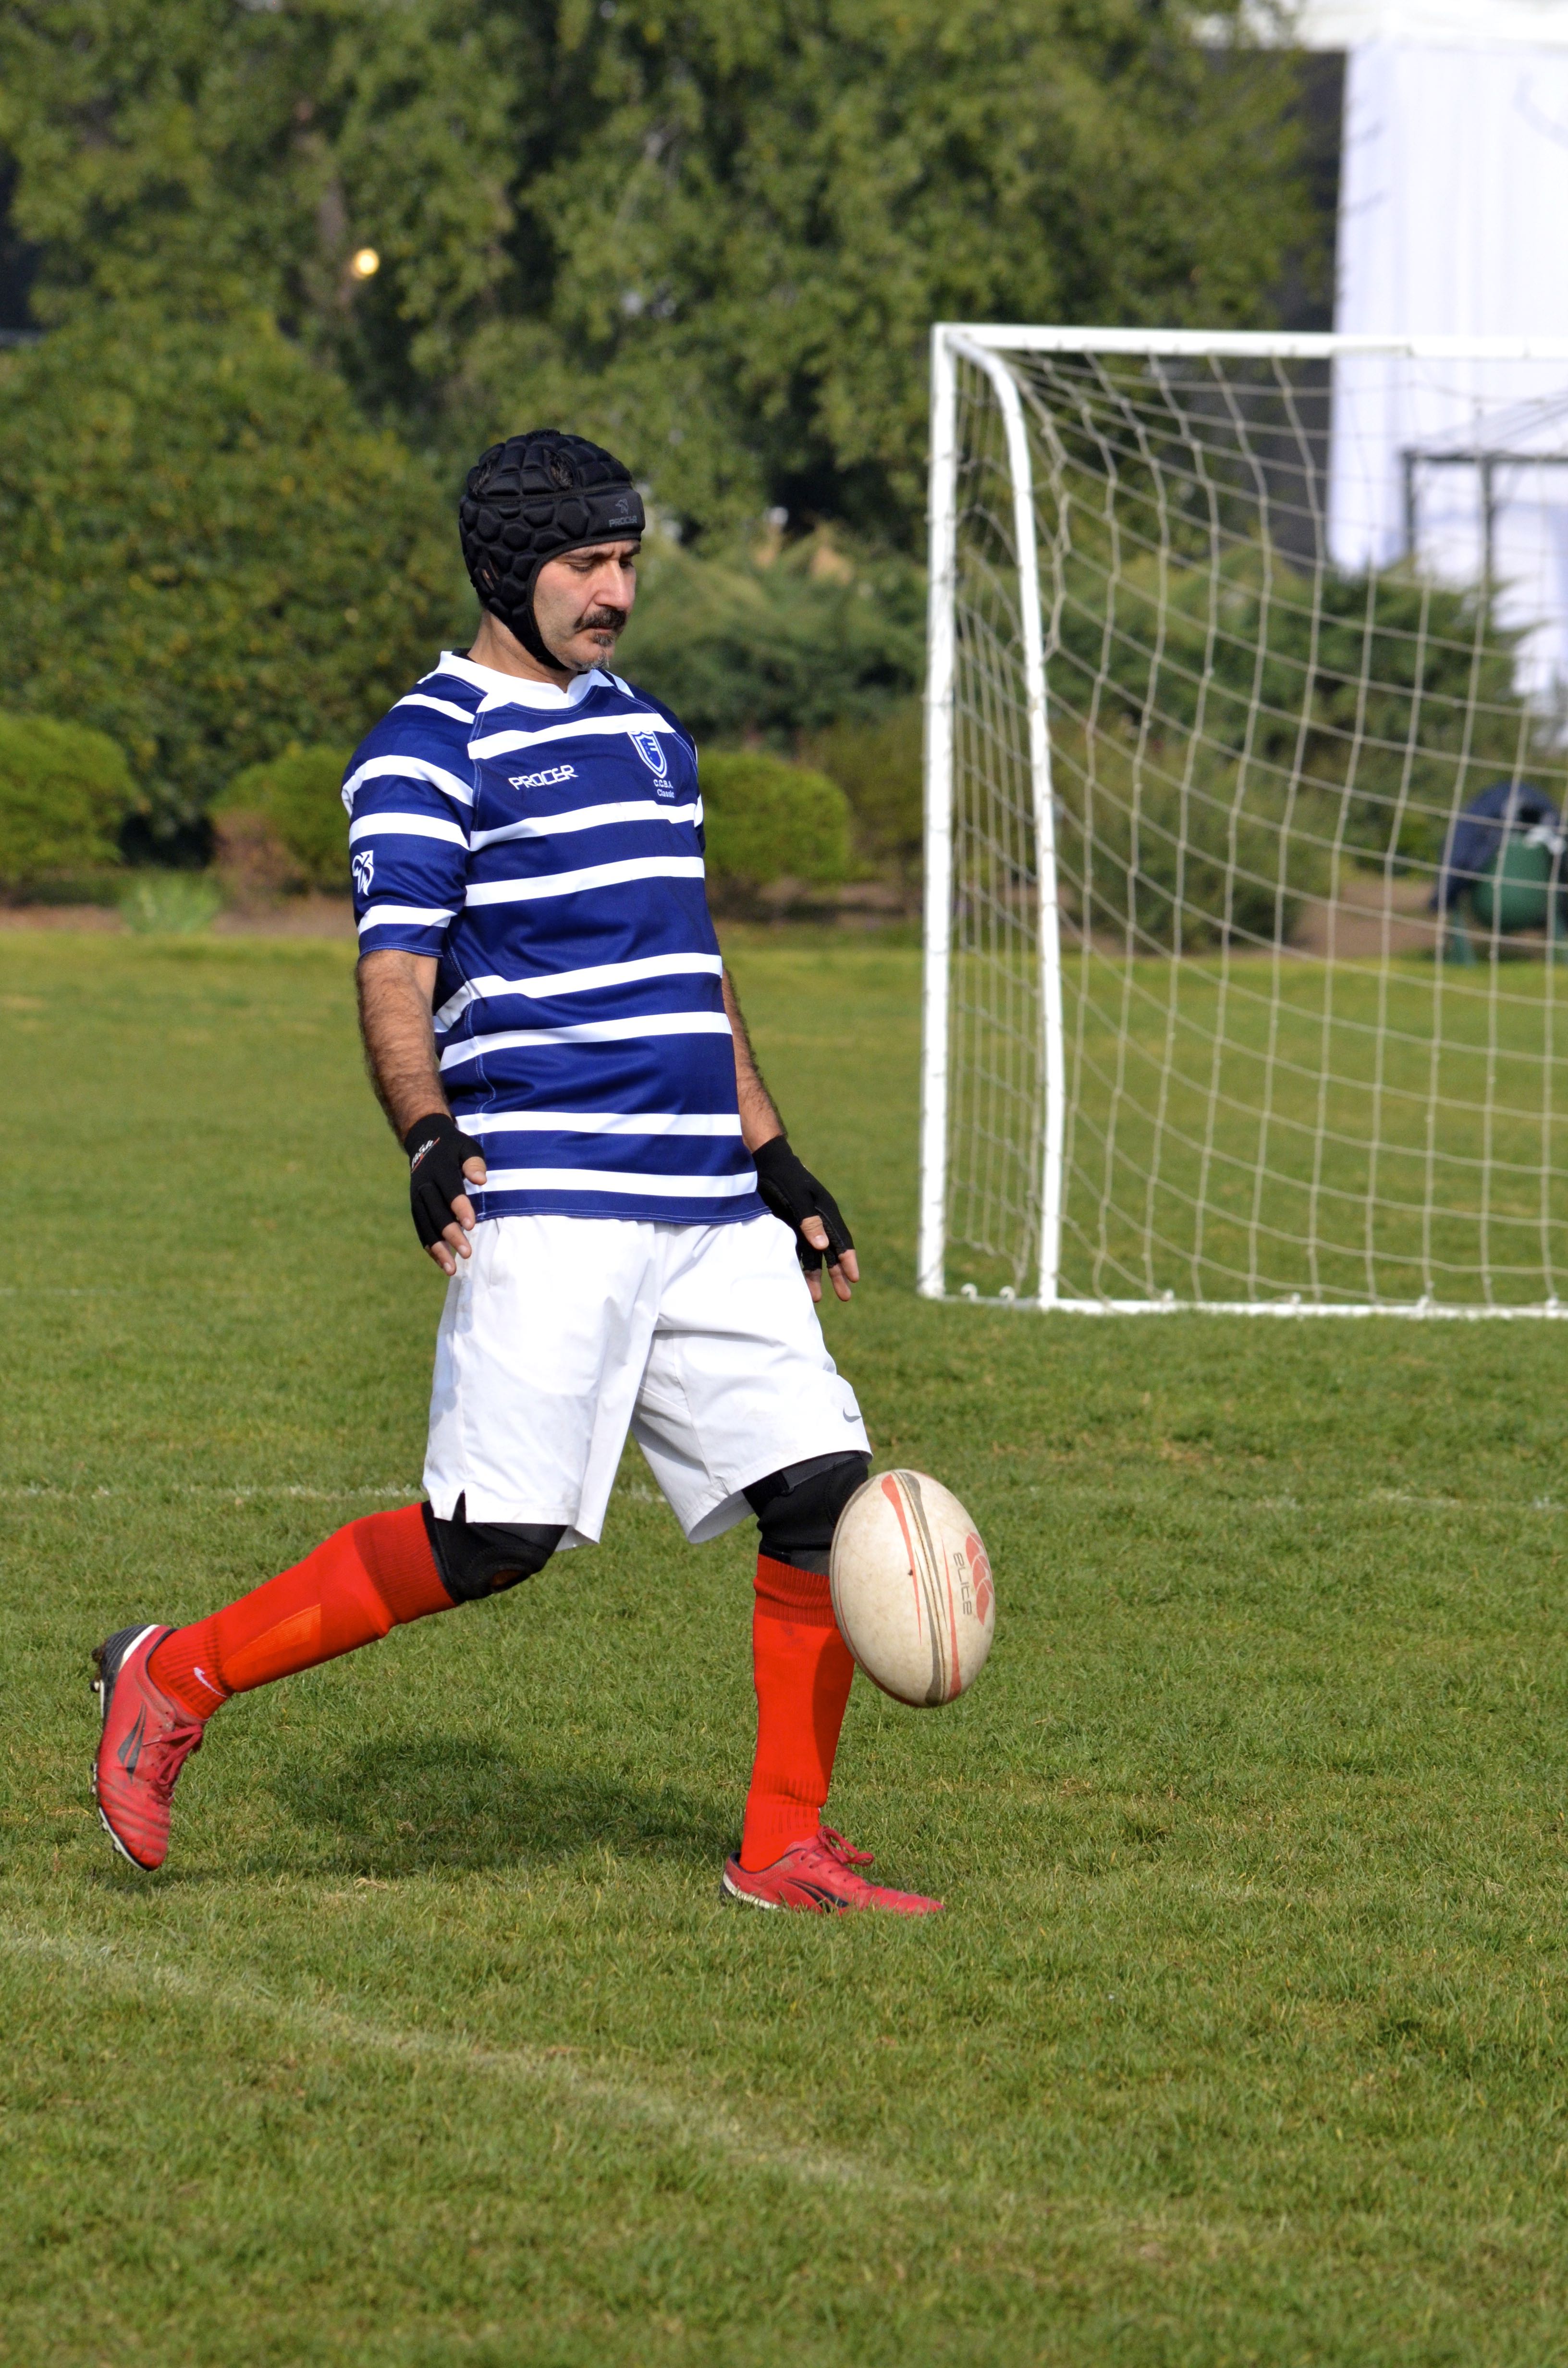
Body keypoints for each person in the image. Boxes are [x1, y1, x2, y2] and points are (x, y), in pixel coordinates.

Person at [90, 429, 942, 1916]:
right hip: (551, 1200)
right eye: (585, 564)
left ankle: (782, 1845)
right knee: (492, 1541)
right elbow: (393, 972)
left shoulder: (653, 735)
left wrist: (775, 1154)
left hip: (706, 1203)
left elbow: (691, 963)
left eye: (628, 561)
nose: (616, 592)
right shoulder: (426, 748)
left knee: (817, 1488)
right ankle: (179, 1674)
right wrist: (426, 1135)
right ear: (506, 570)